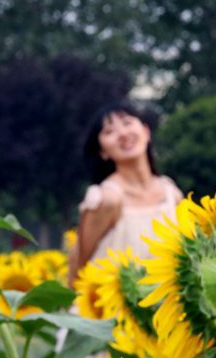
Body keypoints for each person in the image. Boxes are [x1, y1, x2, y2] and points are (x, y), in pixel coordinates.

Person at [68, 101, 183, 285]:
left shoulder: (171, 194)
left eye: (127, 122)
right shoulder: (106, 200)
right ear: (102, 151)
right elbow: (79, 266)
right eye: (109, 131)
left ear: (146, 131)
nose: (122, 134)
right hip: (110, 309)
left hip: (163, 308)